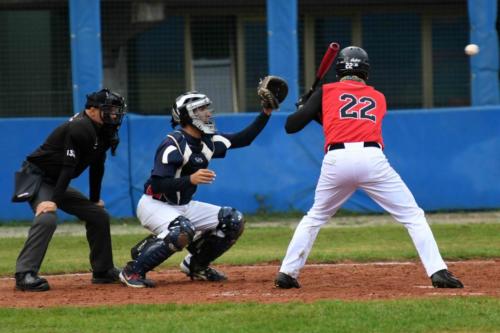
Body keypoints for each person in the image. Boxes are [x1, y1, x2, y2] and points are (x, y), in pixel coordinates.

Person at [274, 46, 464, 289]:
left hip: (337, 160)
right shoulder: (378, 97)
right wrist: (313, 107)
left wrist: (306, 107)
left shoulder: (326, 91)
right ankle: (438, 271)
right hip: (371, 158)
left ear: (339, 68)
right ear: (365, 71)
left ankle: (287, 272)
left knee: (315, 217)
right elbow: (344, 118)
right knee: (413, 216)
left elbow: (292, 126)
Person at [119, 91, 277, 288]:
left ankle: (196, 265)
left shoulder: (208, 141)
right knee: (182, 230)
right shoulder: (173, 143)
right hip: (155, 204)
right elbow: (157, 184)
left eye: (206, 108)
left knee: (232, 220)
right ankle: (132, 271)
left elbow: (244, 139)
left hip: (183, 206)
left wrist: (266, 112)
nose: (208, 113)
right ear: (186, 115)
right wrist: (190, 179)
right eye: (200, 109)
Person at [12, 89, 126, 291]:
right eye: (109, 110)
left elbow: (97, 165)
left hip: (57, 181)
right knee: (47, 218)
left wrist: (94, 198)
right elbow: (68, 166)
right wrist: (53, 201)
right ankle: (25, 274)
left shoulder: (105, 130)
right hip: (37, 177)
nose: (115, 115)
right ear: (91, 110)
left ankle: (103, 271)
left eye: (116, 110)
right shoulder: (80, 127)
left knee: (98, 216)